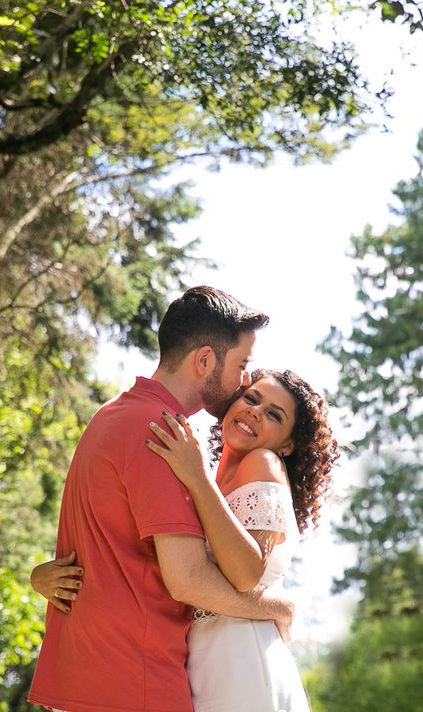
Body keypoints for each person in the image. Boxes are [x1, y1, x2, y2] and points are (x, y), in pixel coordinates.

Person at [26, 286, 296, 712]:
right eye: (242, 365)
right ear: (204, 360)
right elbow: (186, 578)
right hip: (133, 681)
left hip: (89, 675)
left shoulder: (113, 414)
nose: (246, 379)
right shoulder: (161, 431)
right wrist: (276, 607)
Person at [34, 368, 341, 712]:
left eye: (273, 414)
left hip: (242, 657)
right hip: (194, 661)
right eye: (251, 398)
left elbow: (245, 573)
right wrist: (42, 576)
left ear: (287, 443)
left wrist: (197, 478)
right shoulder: (200, 470)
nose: (255, 411)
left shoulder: (261, 461)